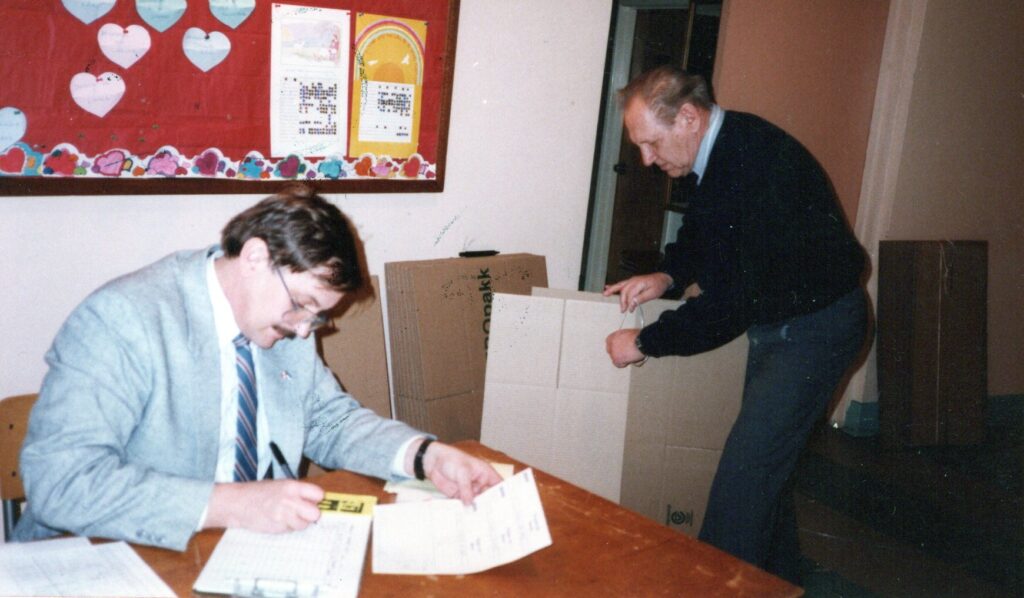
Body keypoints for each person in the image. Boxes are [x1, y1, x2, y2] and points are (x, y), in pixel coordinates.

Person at [15, 185, 501, 551]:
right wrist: (233, 504)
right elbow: (61, 482)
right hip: (118, 552)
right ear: (254, 257)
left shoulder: (281, 321)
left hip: (244, 549)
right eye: (302, 306)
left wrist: (424, 456)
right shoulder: (124, 319)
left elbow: (329, 420)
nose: (305, 331)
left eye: (317, 316)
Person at [603, 65, 868, 584]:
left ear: (688, 117)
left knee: (744, 479)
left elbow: (728, 305)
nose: (647, 160)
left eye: (651, 143)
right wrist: (668, 274)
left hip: (817, 330)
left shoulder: (752, 165)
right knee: (764, 470)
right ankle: (782, 583)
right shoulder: (727, 147)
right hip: (785, 323)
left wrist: (646, 341)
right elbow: (703, 228)